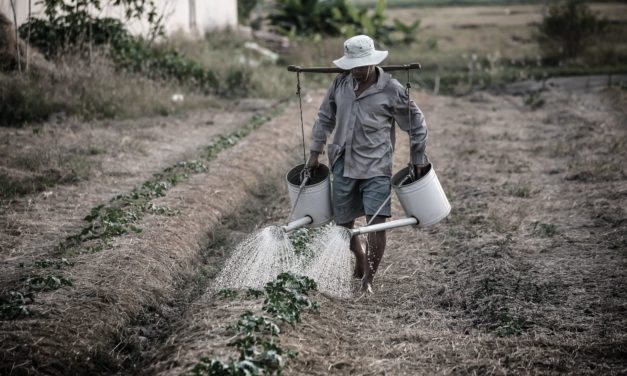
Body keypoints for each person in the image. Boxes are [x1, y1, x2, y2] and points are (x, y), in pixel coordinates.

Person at [305, 34, 429, 294]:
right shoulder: (340, 84)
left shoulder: (391, 89)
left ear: (373, 62)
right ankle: (360, 257)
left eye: (362, 65)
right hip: (343, 162)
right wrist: (314, 153)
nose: (357, 71)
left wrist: (417, 157)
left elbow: (416, 122)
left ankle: (368, 280)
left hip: (376, 166)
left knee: (377, 223)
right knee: (343, 226)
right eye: (353, 66)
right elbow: (324, 118)